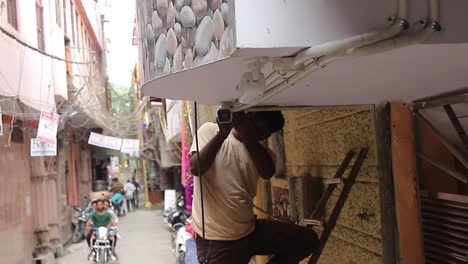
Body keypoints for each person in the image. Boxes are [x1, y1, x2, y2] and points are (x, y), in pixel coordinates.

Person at [189, 111, 318, 264]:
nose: (264, 136)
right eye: (261, 128)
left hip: (249, 231)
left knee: (306, 240)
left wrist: (247, 135)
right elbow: (195, 167)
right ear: (248, 116)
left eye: (267, 133)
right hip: (217, 240)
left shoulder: (262, 154)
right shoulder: (209, 131)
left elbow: (267, 172)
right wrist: (221, 135)